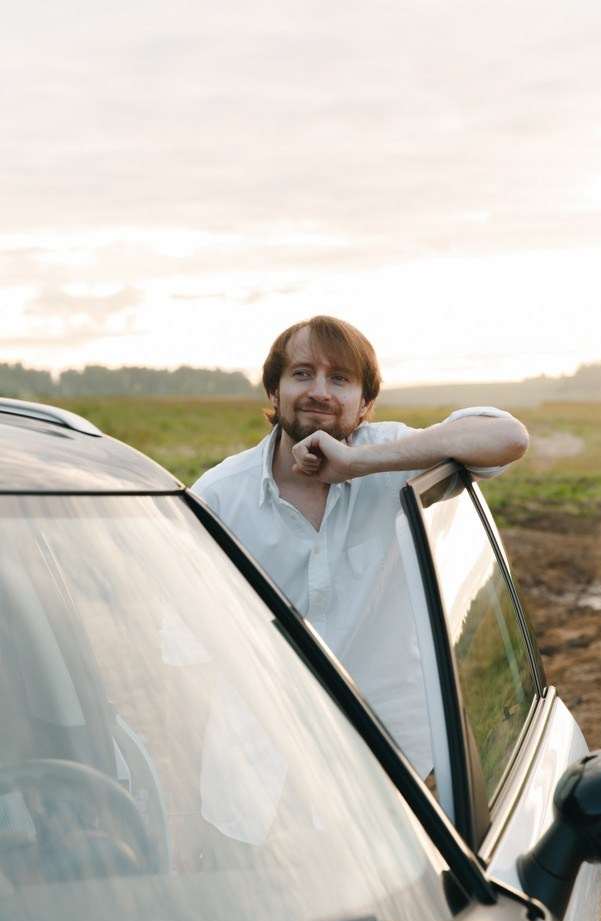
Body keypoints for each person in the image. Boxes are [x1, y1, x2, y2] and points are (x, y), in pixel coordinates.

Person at [192, 315, 528, 779]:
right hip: (259, 757)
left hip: (387, 757)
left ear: (365, 402)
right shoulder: (218, 495)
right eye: (302, 373)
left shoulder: (394, 457)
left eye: (340, 378)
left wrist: (357, 463)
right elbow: (189, 647)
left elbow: (508, 437)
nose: (320, 392)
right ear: (274, 392)